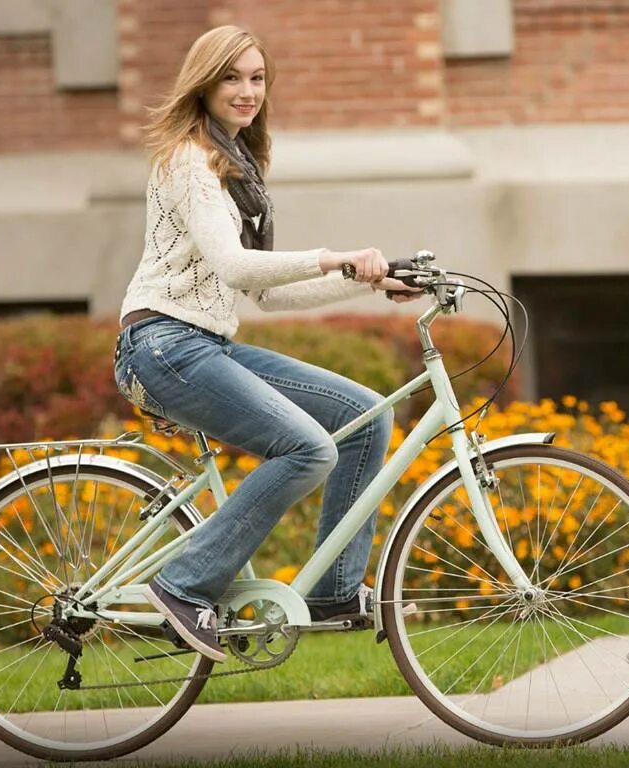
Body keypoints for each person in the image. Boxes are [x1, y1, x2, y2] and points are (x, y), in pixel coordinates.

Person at [113, 25, 421, 662]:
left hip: (206, 345)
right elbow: (233, 266)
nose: (247, 91)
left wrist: (368, 282)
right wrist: (332, 256)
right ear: (204, 83)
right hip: (161, 343)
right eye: (232, 78)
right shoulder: (189, 160)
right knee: (308, 448)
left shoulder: (235, 168)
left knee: (365, 419)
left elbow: (268, 293)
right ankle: (183, 586)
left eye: (257, 79)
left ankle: (335, 590)